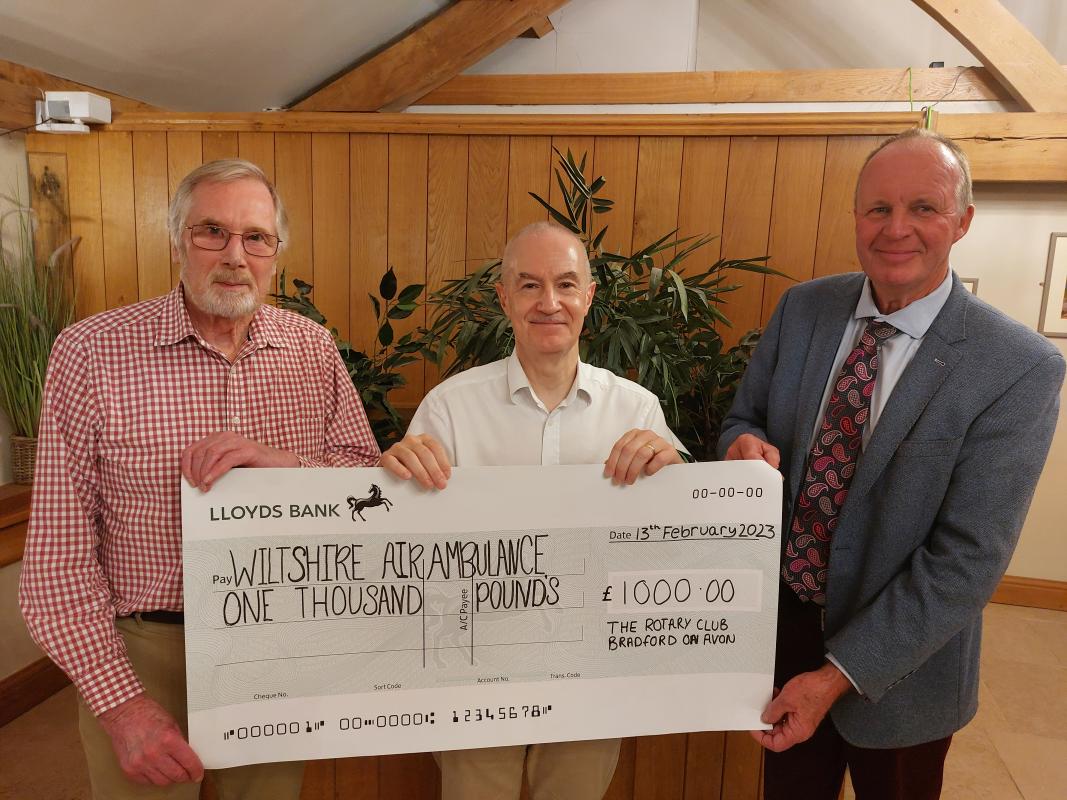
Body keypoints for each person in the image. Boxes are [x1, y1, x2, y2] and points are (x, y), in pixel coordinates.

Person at [718, 128, 1065, 800]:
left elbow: (967, 558)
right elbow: (743, 418)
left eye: (922, 208)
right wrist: (739, 443)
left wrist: (835, 677)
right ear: (854, 217)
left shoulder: (1017, 366)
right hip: (781, 637)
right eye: (877, 209)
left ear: (961, 222)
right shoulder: (802, 309)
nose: (895, 228)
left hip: (905, 671)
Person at [20, 159, 381, 799]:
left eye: (256, 237)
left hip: (276, 640)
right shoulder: (90, 351)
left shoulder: (312, 349)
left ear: (276, 252)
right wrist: (121, 706)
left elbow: (366, 480)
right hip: (143, 648)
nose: (235, 254)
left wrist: (288, 465)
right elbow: (57, 559)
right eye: (211, 231)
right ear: (177, 240)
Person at [381, 221, 685, 800]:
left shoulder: (637, 410)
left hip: (593, 664)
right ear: (504, 297)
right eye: (529, 285)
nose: (550, 303)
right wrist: (399, 476)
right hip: (474, 666)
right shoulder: (449, 408)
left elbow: (684, 541)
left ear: (589, 296)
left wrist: (673, 479)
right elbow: (406, 546)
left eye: (566, 285)